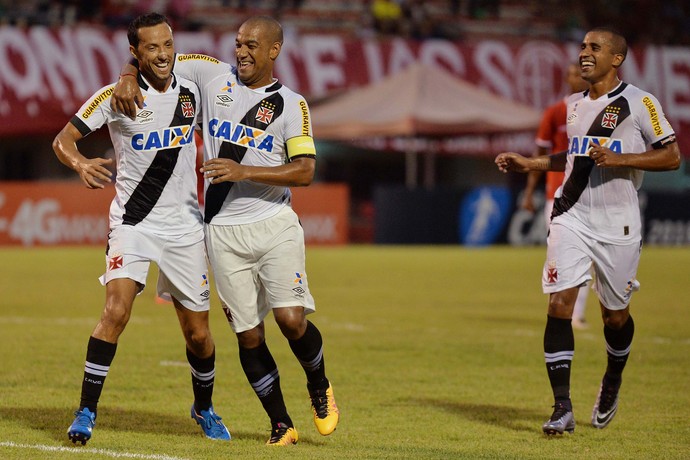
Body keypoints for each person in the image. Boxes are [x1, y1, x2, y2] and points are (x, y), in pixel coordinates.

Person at [111, 15, 340, 446]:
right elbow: (155, 58)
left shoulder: (293, 104)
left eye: (252, 45)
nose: (241, 51)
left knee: (291, 321)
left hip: (273, 223)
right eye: (238, 43)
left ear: (274, 50)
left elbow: (306, 171)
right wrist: (126, 74)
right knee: (248, 334)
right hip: (220, 232)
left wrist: (243, 170)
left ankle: (318, 386)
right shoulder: (211, 75)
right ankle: (281, 424)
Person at [52, 12, 230, 445]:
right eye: (151, 47)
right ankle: (86, 411)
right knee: (115, 313)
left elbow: (237, 74)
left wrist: (129, 70)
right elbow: (62, 140)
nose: (163, 54)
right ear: (135, 51)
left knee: (200, 335)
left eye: (167, 44)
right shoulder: (116, 97)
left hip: (186, 227)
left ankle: (203, 407)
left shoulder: (195, 83)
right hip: (133, 223)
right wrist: (79, 163)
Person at [495, 27, 680, 435]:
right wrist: (532, 164)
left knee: (614, 317)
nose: (584, 53)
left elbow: (672, 155)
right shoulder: (573, 105)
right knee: (559, 303)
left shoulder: (640, 102)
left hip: (619, 223)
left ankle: (612, 377)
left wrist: (622, 158)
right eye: (582, 46)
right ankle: (562, 406)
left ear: (617, 59)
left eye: (594, 48)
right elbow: (575, 156)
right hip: (571, 215)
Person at [521, 63, 591, 330]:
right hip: (557, 193)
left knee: (587, 256)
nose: (577, 78)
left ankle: (577, 314)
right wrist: (529, 192)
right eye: (573, 74)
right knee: (560, 255)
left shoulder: (598, 112)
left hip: (588, 193)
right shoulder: (554, 113)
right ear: (567, 78)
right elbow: (539, 157)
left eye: (581, 74)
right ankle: (560, 309)